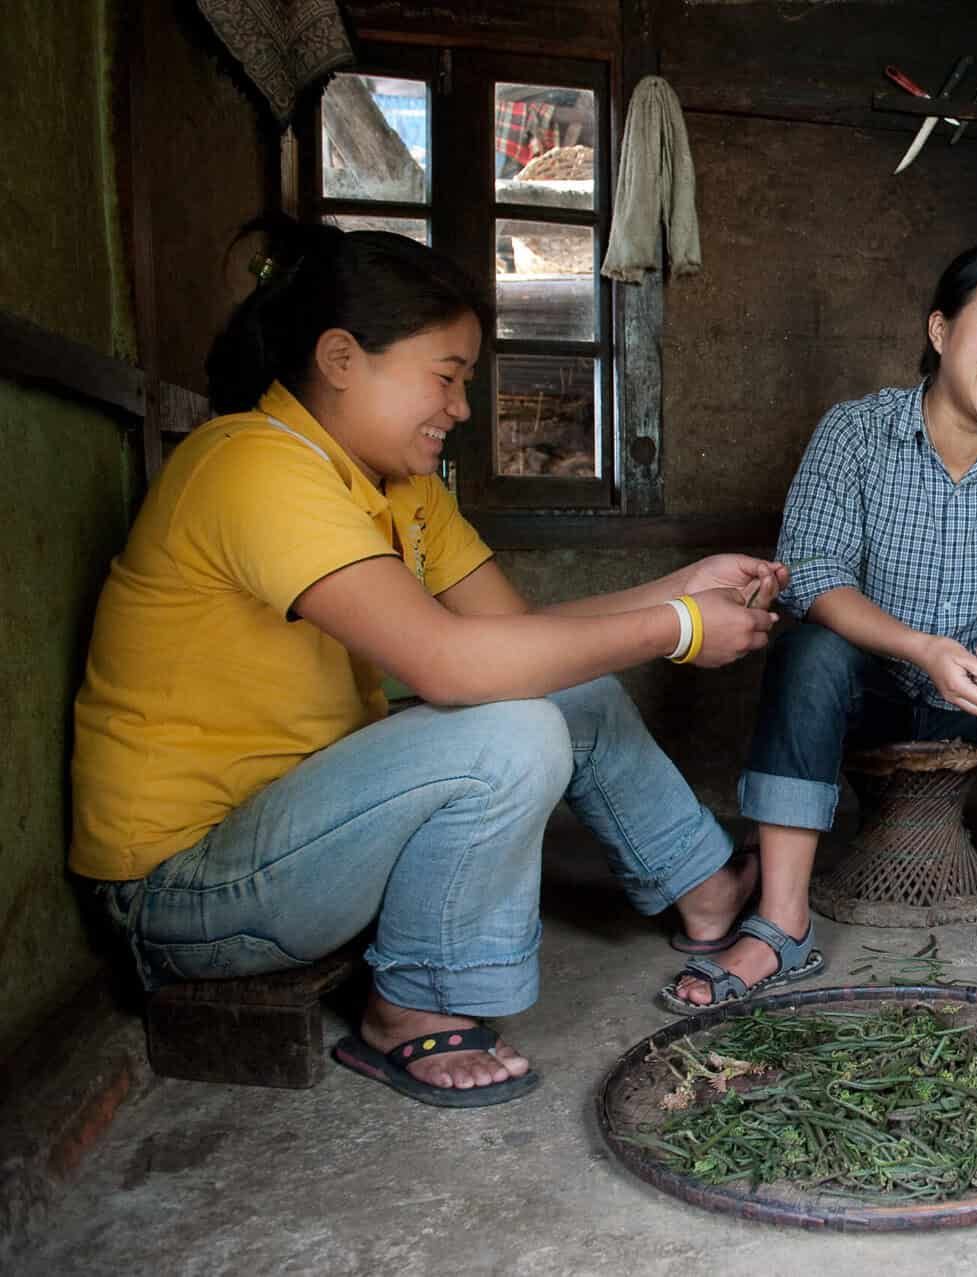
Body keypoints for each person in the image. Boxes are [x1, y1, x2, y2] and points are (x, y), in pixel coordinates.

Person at [71, 218, 781, 1107]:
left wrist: (683, 586)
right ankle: (411, 1010)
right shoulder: (252, 467)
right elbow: (451, 667)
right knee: (511, 734)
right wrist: (675, 627)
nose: (461, 408)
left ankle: (706, 891)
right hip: (189, 893)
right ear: (340, 358)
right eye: (445, 378)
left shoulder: (393, 488)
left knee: (569, 694)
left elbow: (518, 640)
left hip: (304, 836)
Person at [661, 243, 977, 1013]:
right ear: (941, 330)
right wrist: (918, 648)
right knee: (810, 649)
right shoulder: (855, 433)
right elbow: (815, 573)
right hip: (873, 684)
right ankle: (782, 923)